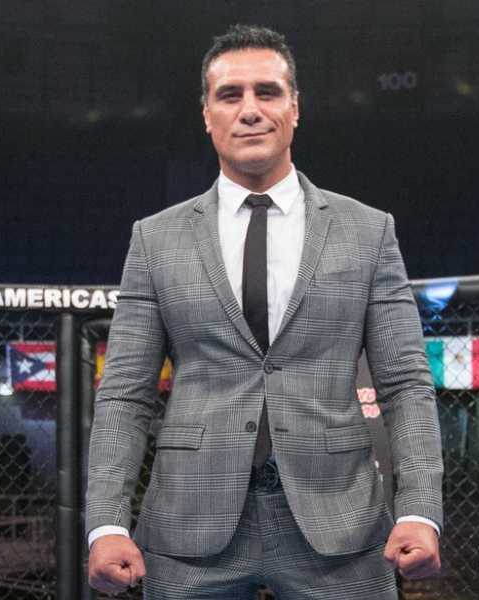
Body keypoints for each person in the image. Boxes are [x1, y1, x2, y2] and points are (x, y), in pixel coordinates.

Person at [85, 24, 443, 599]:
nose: (250, 109)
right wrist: (106, 523)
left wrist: (420, 510)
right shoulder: (155, 240)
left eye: (267, 92)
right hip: (188, 526)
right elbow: (125, 392)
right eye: (230, 95)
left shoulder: (368, 231)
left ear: (295, 108)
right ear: (207, 114)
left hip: (342, 526)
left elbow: (405, 383)